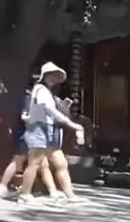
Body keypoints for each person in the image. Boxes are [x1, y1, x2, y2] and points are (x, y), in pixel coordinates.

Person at [18, 62, 85, 205]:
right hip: (38, 129)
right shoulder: (40, 89)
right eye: (50, 75)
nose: (52, 78)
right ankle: (24, 194)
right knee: (34, 163)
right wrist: (71, 124)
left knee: (61, 163)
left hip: (48, 130)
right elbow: (49, 109)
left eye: (55, 76)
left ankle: (70, 194)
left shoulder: (47, 92)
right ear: (44, 76)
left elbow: (48, 111)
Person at [0, 80, 60, 199]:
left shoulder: (26, 98)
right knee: (21, 161)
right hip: (28, 133)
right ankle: (4, 186)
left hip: (28, 133)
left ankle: (52, 190)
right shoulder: (30, 99)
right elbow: (30, 117)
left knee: (40, 163)